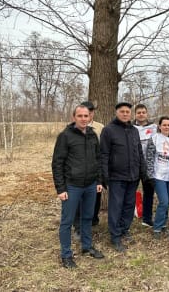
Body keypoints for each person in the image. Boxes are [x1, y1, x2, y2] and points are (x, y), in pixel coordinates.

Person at [52, 105, 104, 269]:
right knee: (67, 222)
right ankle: (66, 255)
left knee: (87, 217)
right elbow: (57, 164)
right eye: (80, 115)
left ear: (90, 117)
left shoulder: (92, 135)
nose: (83, 118)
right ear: (74, 117)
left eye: (86, 116)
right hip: (72, 186)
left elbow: (98, 159)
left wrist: (99, 181)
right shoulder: (65, 136)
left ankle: (87, 247)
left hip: (90, 185)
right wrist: (61, 189)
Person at [100, 102, 147, 252]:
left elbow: (139, 153)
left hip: (133, 176)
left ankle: (124, 230)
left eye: (128, 111)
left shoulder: (134, 131)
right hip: (116, 177)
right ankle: (115, 236)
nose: (125, 114)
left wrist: (142, 172)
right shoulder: (108, 130)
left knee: (128, 205)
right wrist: (105, 176)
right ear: (117, 113)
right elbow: (104, 154)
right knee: (116, 206)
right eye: (122, 111)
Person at [73, 101, 104, 239]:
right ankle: (77, 226)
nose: (88, 115)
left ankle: (92, 220)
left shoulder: (100, 127)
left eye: (91, 112)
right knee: (78, 200)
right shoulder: (73, 128)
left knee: (95, 197)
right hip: (78, 170)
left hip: (95, 168)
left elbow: (103, 149)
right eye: (86, 112)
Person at [146, 116, 169, 239]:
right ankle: (157, 227)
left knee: (168, 201)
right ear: (159, 126)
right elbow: (149, 158)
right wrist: (150, 175)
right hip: (158, 174)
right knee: (163, 201)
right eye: (164, 125)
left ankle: (164, 223)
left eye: (168, 125)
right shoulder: (154, 139)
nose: (166, 127)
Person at [132, 104, 158, 227]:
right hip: (134, 165)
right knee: (130, 192)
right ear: (135, 114)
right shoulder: (130, 127)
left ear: (147, 114)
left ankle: (147, 218)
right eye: (139, 112)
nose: (141, 114)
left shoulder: (154, 127)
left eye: (143, 112)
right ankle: (128, 216)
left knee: (148, 192)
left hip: (149, 166)